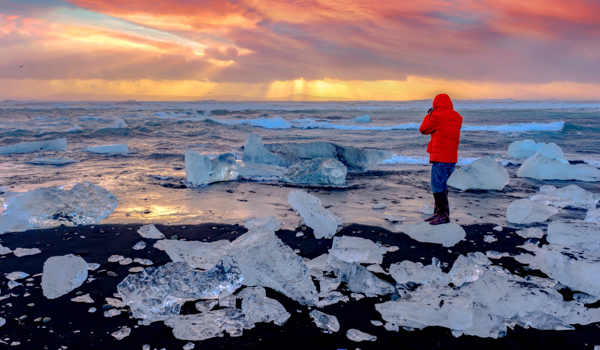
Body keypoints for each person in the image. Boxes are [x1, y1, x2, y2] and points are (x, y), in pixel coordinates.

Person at [419, 93, 463, 225]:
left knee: (436, 185)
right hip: (451, 157)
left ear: (435, 104)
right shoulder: (457, 117)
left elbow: (423, 130)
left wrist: (429, 115)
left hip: (440, 157)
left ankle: (443, 216)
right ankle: (439, 213)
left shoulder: (436, 116)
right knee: (443, 185)